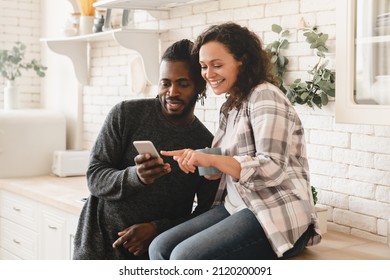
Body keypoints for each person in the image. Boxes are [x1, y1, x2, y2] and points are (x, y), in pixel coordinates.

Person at [149, 22, 322, 260]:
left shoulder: (265, 95)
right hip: (237, 206)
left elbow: (271, 168)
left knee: (183, 257)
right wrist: (201, 161)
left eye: (217, 65)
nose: (208, 74)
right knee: (159, 247)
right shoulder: (231, 106)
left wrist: (212, 159)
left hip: (275, 215)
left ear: (242, 60)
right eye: (203, 66)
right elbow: (223, 168)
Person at [73, 39, 219, 260]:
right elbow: (94, 177)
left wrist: (156, 229)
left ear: (199, 86)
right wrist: (135, 176)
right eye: (165, 83)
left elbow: (208, 212)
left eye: (183, 83)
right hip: (97, 246)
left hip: (149, 255)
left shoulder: (206, 144)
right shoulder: (125, 114)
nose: (172, 92)